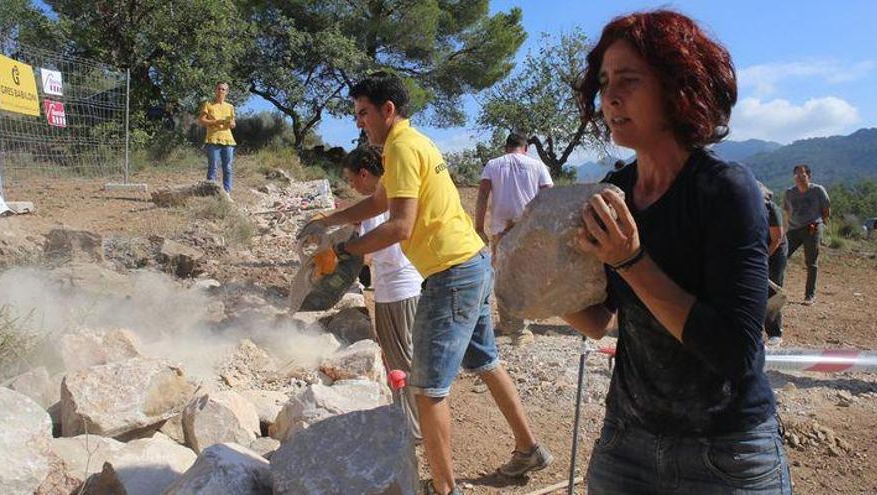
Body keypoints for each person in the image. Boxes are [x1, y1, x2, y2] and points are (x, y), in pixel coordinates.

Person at [567, 10, 791, 494]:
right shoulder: (615, 191)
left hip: (725, 454)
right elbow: (598, 319)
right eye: (604, 82)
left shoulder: (726, 191)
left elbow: (734, 350)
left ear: (678, 86)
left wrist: (631, 260)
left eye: (629, 79)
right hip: (626, 443)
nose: (610, 96)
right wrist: (536, 277)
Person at [298, 71, 551, 495]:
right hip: (473, 262)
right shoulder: (414, 142)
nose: (359, 121)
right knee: (486, 363)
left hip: (451, 274)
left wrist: (344, 252)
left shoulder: (399, 147)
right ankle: (529, 449)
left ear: (387, 110)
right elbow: (382, 201)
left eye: (363, 113)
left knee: (427, 389)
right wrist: (331, 220)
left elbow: (399, 226)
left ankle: (444, 488)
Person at [342, 145, 424, 440]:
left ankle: (415, 429)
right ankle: (410, 422)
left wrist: (341, 258)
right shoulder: (396, 196)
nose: (352, 186)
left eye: (352, 180)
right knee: (400, 359)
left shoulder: (380, 206)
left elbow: (374, 253)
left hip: (400, 291)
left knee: (405, 361)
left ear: (365, 174)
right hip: (397, 289)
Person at [474, 132, 553, 346]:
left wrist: (479, 227)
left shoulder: (493, 164)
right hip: (528, 229)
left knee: (503, 275)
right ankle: (516, 327)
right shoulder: (537, 166)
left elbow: (482, 195)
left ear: (506, 147)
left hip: (501, 229)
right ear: (525, 148)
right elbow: (549, 195)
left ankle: (515, 326)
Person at [783, 164, 830, 305]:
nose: (799, 178)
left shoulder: (818, 190)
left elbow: (826, 208)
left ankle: (810, 295)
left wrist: (821, 223)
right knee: (781, 257)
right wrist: (786, 228)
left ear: (809, 176)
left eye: (802, 175)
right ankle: (774, 291)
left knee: (811, 262)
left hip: (812, 228)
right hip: (793, 229)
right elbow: (786, 211)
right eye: (797, 175)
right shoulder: (789, 192)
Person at [198, 82, 236, 194]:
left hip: (228, 140)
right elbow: (201, 120)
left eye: (223, 89)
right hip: (212, 139)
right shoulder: (208, 104)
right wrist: (215, 121)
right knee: (213, 167)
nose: (220, 91)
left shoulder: (230, 107)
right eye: (219, 89)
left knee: (228, 168)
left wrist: (231, 124)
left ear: (227, 92)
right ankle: (211, 194)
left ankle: (227, 193)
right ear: (215, 90)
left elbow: (233, 124)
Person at [761, 183, 787, 346]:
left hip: (775, 251)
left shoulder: (771, 209)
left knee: (772, 290)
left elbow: (776, 239)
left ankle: (774, 332)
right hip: (759, 249)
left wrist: (762, 258)